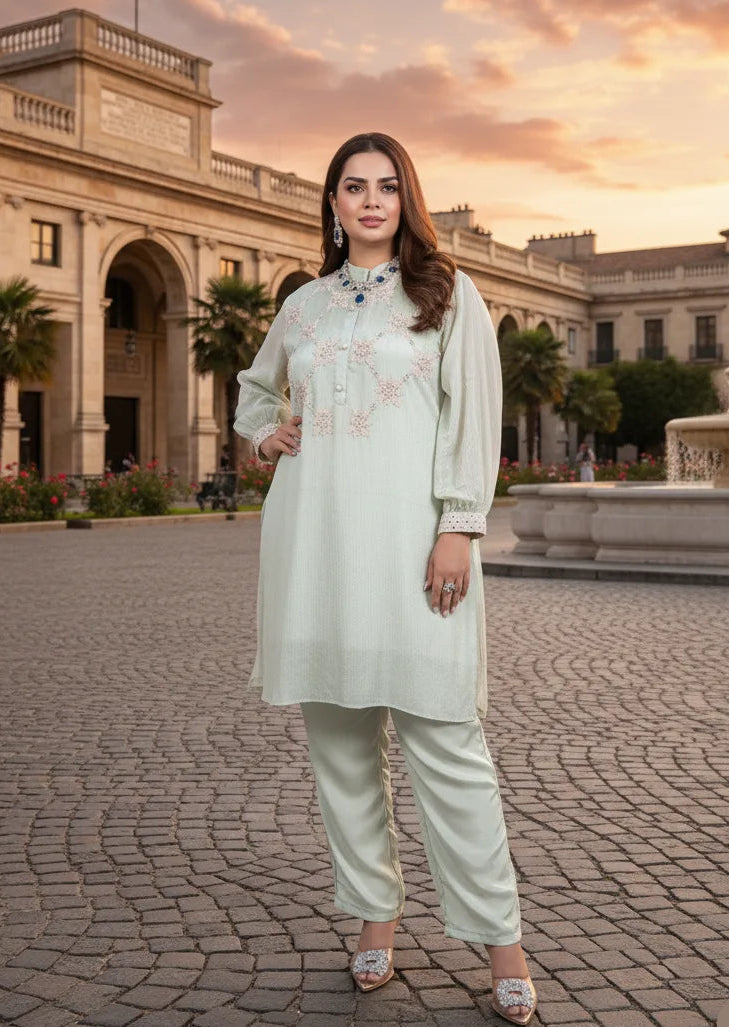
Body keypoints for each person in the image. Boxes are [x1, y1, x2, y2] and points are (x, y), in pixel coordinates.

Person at [233, 133, 537, 1025]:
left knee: (449, 746)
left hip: (415, 548)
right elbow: (256, 391)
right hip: (314, 545)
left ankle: (502, 940)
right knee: (340, 750)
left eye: (386, 186)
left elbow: (472, 420)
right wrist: (267, 433)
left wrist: (457, 526)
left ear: (408, 199)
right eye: (352, 186)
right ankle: (376, 917)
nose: (370, 201)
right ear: (331, 202)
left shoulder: (449, 294)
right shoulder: (304, 307)